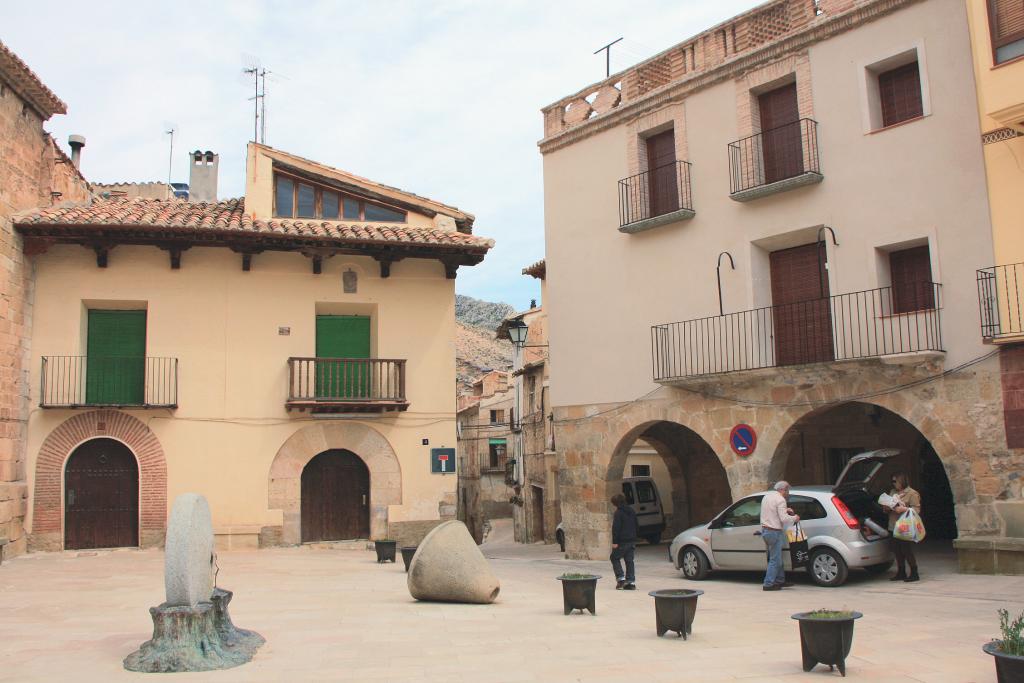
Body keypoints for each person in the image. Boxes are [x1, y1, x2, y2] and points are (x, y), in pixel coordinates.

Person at [759, 481, 800, 591]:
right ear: (783, 489)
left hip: (766, 530)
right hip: (774, 531)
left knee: (777, 557)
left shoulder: (767, 497)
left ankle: (780, 580)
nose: (788, 493)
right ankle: (768, 584)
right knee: (775, 559)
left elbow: (771, 511)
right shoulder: (781, 500)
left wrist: (785, 510)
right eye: (787, 490)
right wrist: (795, 518)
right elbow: (784, 519)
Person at [884, 472, 922, 582]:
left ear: (902, 481)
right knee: (897, 550)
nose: (893, 483)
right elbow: (886, 507)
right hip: (893, 525)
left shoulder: (912, 493)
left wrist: (904, 509)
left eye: (895, 481)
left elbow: (917, 510)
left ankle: (914, 572)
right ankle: (901, 571)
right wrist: (887, 507)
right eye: (892, 481)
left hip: (905, 526)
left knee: (906, 549)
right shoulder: (892, 492)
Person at [610, 493, 638, 590]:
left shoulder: (618, 513)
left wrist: (615, 542)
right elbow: (637, 524)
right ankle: (630, 582)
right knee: (629, 561)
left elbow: (616, 528)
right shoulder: (632, 511)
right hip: (631, 540)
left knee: (614, 558)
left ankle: (621, 579)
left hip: (622, 541)